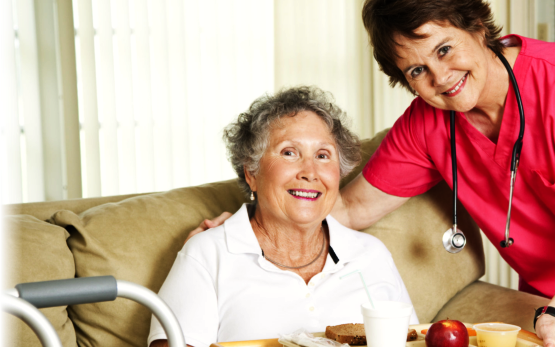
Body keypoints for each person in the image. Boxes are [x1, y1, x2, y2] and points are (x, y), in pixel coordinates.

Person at [189, 1, 555, 347]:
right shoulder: (427, 126)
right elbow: (349, 207)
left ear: (476, 25)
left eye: (444, 49)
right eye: (415, 71)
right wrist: (250, 219)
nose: (439, 78)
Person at [149, 86, 418, 347]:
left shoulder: (371, 254)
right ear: (252, 173)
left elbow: (414, 340)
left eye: (323, 155)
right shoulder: (207, 253)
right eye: (290, 153)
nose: (310, 171)